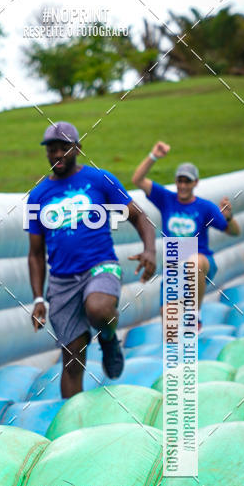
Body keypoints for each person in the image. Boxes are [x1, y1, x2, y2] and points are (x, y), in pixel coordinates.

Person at [28, 121, 156, 398]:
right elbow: (35, 253)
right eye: (52, 149)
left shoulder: (100, 180)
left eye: (64, 148)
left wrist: (150, 250)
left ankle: (109, 338)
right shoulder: (37, 196)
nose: (57, 154)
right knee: (72, 361)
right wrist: (39, 298)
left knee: (98, 309)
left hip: (100, 266)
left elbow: (138, 216)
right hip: (62, 281)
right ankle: (72, 433)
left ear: (77, 149)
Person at [131, 142, 240, 324]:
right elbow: (138, 180)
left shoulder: (205, 207)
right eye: (180, 181)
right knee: (169, 322)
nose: (183, 185)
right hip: (174, 264)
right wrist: (154, 156)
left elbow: (234, 232)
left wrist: (229, 218)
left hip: (201, 261)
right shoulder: (166, 199)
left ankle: (194, 314)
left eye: (187, 181)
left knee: (193, 263)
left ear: (195, 183)